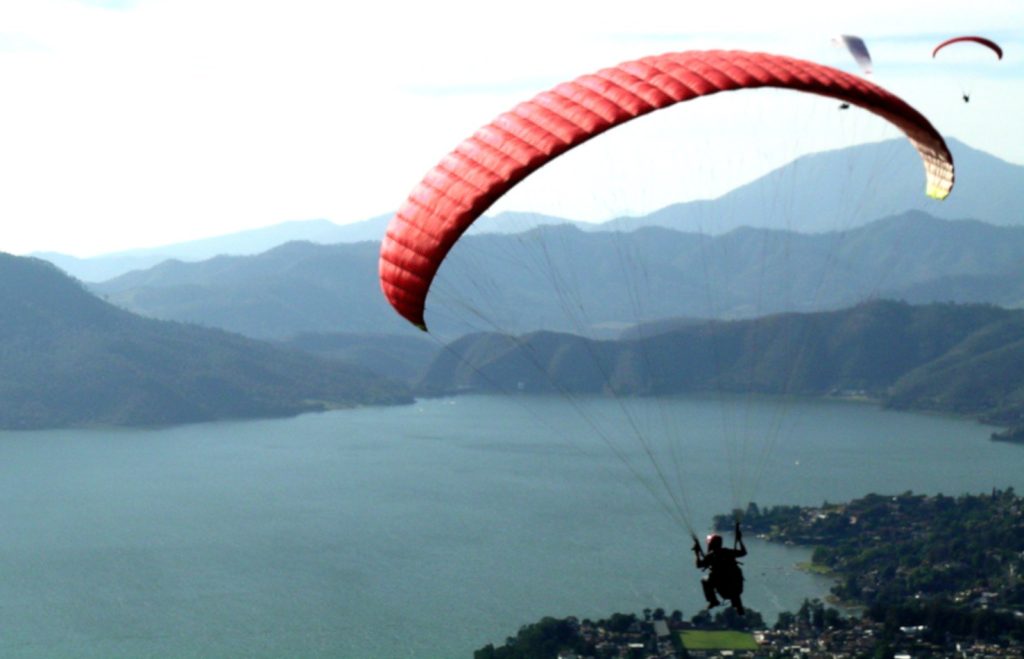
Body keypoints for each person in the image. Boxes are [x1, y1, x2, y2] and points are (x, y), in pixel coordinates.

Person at [693, 521, 747, 614]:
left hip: (723, 588)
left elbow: (699, 565)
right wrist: (740, 540)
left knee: (704, 580)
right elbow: (743, 552)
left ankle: (713, 601)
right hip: (736, 587)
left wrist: (697, 553)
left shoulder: (711, 556)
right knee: (732, 581)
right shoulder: (728, 552)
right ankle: (738, 605)